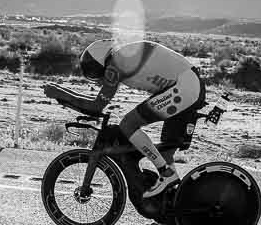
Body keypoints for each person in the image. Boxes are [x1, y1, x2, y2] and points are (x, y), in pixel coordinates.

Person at [79, 38, 205, 197]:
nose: (98, 79)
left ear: (100, 64)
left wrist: (59, 93)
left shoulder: (115, 64)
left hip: (185, 87)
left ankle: (166, 174)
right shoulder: (121, 56)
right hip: (188, 85)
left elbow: (97, 105)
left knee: (128, 124)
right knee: (165, 153)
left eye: (95, 73)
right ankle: (171, 203)